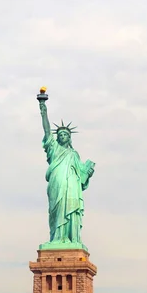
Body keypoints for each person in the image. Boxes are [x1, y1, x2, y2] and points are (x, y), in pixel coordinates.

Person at [39, 99, 95, 244]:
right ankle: (56, 238)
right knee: (56, 210)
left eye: (65, 134)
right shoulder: (54, 149)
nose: (62, 136)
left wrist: (88, 172)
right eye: (60, 134)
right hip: (57, 182)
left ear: (69, 138)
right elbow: (46, 130)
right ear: (57, 138)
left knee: (71, 209)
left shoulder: (74, 154)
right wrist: (43, 110)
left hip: (72, 187)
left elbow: (82, 176)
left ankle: (70, 238)